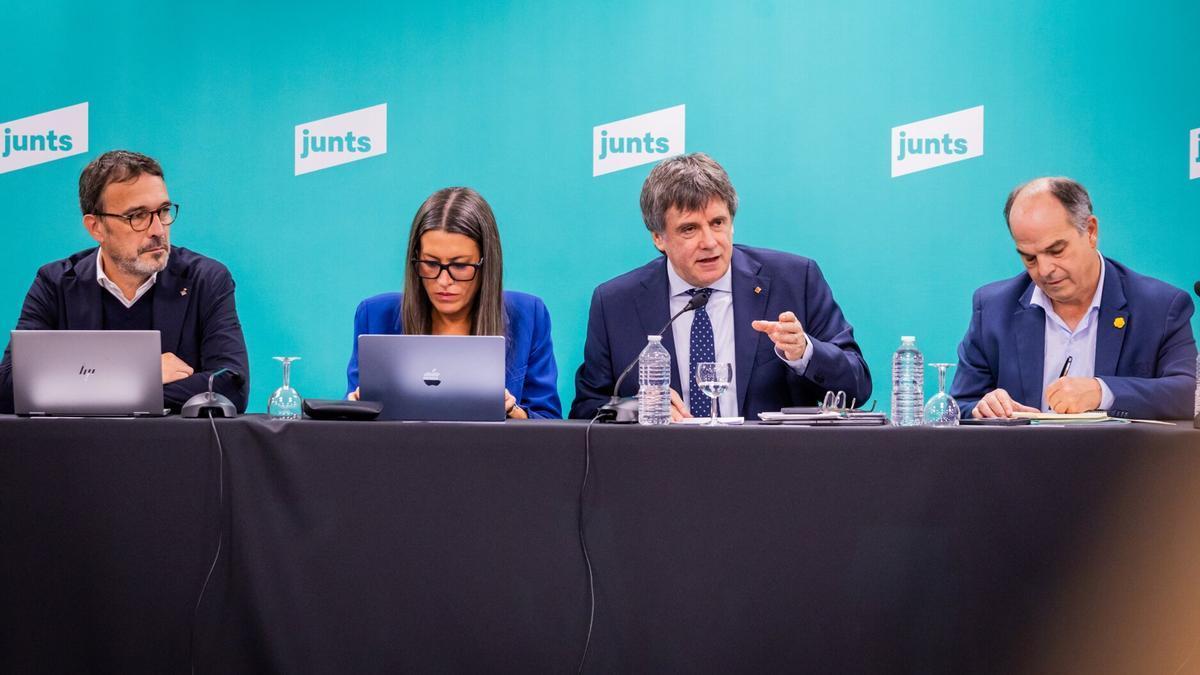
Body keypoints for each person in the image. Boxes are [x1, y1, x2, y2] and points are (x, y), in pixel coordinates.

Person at [570, 153, 871, 421]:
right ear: (658, 238)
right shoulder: (615, 303)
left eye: (717, 223)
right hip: (661, 473)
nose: (710, 242)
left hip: (771, 470)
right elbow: (586, 410)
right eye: (689, 229)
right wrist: (638, 409)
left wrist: (805, 352)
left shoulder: (794, 280)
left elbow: (858, 386)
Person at [0, 150, 250, 413]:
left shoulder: (206, 279)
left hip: (174, 450)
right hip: (79, 450)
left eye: (163, 211)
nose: (157, 230)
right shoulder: (56, 283)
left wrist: (84, 387)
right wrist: (142, 374)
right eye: (137, 216)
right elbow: (9, 386)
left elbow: (230, 385)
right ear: (96, 227)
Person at [951, 176, 1197, 419]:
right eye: (1030, 258)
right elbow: (959, 405)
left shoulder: (1160, 306)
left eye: (1056, 251)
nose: (1045, 270)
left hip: (1120, 458)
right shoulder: (993, 308)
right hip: (1022, 457)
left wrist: (1103, 392)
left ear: (1090, 231)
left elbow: (1189, 393)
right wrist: (982, 407)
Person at [346, 187, 561, 419]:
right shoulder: (375, 316)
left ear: (486, 264)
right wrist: (354, 411)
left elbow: (549, 424)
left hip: (495, 454)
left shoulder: (529, 316)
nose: (443, 281)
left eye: (459, 266)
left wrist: (512, 411)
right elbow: (352, 425)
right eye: (430, 263)